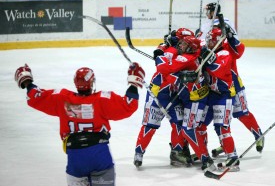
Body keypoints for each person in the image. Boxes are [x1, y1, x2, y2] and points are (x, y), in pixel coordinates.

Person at [14, 62, 145, 186]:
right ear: (92, 82)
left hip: (75, 158)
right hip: (99, 155)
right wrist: (134, 82)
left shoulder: (62, 98)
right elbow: (129, 105)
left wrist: (27, 81)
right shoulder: (102, 100)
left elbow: (35, 97)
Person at [199, 2, 264, 158]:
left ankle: (258, 135)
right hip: (213, 84)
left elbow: (239, 50)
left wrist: (230, 36)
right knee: (216, 119)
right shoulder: (208, 28)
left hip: (231, 82)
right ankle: (222, 145)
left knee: (241, 113)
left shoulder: (225, 35)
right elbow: (200, 44)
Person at [156, 31, 216, 172]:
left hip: (195, 100)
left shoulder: (186, 58)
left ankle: (205, 158)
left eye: (184, 44)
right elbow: (200, 44)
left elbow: (163, 68)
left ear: (190, 48)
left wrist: (159, 55)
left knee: (188, 130)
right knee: (196, 128)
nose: (181, 45)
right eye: (181, 43)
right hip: (195, 96)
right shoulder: (195, 51)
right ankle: (202, 153)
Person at [134, 33, 192, 168]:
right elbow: (161, 56)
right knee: (150, 125)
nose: (184, 46)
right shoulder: (171, 51)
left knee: (178, 124)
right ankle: (138, 153)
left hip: (173, 95)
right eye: (182, 43)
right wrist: (163, 47)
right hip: (157, 93)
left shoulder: (188, 55)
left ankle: (176, 153)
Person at [200, 27, 240, 171]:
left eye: (212, 39)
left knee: (222, 127)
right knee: (199, 125)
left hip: (223, 96)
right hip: (210, 95)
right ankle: (203, 155)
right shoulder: (208, 48)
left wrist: (207, 59)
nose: (208, 41)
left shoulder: (225, 53)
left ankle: (232, 157)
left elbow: (218, 69)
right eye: (208, 38)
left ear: (219, 40)